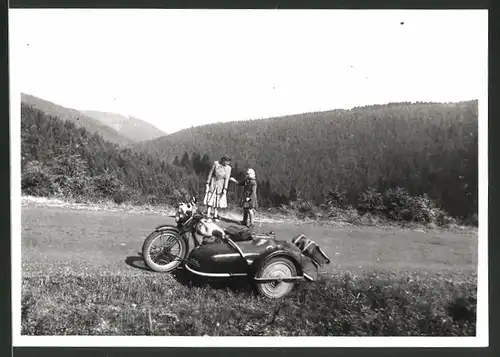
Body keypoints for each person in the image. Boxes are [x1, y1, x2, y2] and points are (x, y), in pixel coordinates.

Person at [203, 156, 232, 221]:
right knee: (210, 199)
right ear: (223, 160)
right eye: (226, 161)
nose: (227, 163)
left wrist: (225, 188)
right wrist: (208, 182)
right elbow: (211, 173)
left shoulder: (228, 168)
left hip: (221, 185)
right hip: (213, 182)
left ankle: (215, 215)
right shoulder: (216, 163)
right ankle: (208, 214)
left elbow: (227, 179)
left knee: (217, 200)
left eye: (228, 161)